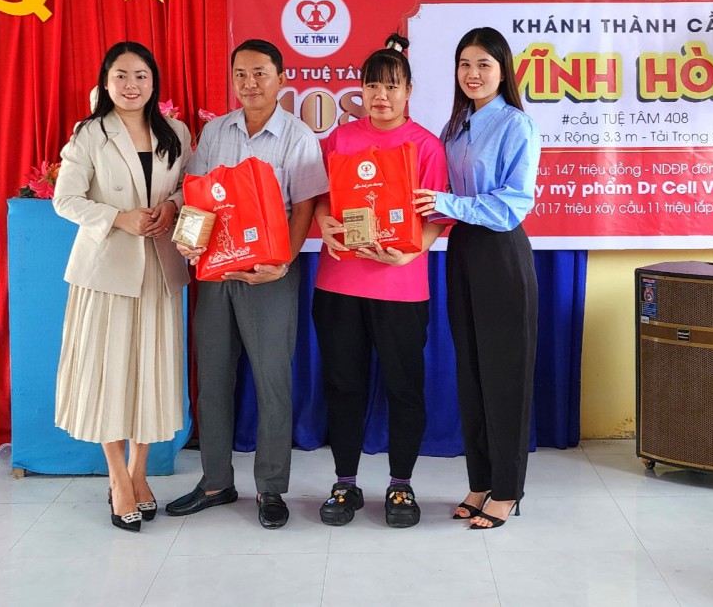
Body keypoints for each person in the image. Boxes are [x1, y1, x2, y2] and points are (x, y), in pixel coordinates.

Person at [165, 39, 328, 529]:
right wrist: (189, 241)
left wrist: (282, 262)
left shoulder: (298, 136)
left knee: (272, 381)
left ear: (281, 78)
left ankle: (270, 488)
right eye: (241, 74)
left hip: (269, 275)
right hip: (215, 270)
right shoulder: (216, 131)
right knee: (213, 378)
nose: (250, 83)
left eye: (260, 73)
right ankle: (215, 481)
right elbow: (196, 197)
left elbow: (304, 208)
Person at [52, 41, 192, 533]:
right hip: (106, 271)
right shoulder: (89, 133)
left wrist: (171, 206)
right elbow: (65, 200)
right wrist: (118, 218)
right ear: (106, 81)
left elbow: (188, 187)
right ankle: (117, 478)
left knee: (150, 372)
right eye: (121, 76)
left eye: (141, 76)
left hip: (159, 269)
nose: (131, 85)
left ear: (154, 82)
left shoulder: (175, 132)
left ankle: (139, 473)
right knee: (108, 374)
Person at [312, 34, 449, 529]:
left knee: (404, 389)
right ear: (361, 90)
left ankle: (401, 484)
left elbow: (436, 216)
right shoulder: (340, 140)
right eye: (372, 85)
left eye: (392, 86)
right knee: (342, 386)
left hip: (400, 289)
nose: (381, 96)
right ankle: (344, 483)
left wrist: (413, 250)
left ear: (409, 91)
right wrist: (325, 222)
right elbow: (320, 197)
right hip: (339, 285)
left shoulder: (426, 146)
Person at [412, 26, 540, 531]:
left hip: (501, 252)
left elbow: (512, 204)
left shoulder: (516, 125)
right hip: (462, 250)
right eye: (465, 64)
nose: (473, 73)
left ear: (503, 71)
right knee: (472, 373)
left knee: (505, 376)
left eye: (484, 64)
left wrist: (447, 203)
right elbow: (438, 190)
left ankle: (507, 490)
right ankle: (481, 481)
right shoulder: (454, 127)